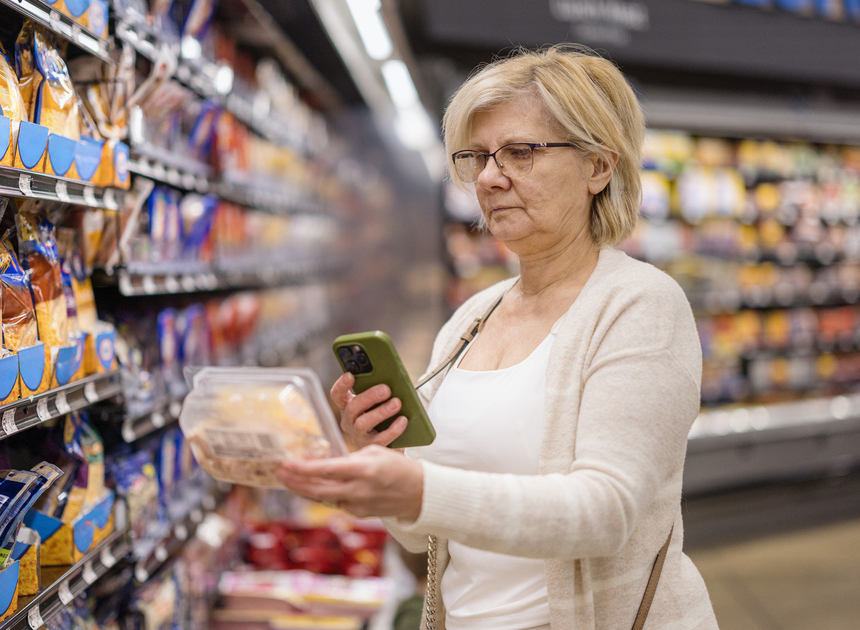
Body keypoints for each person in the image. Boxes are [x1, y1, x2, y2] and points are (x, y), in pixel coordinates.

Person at [278, 44, 718, 629]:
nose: (488, 177)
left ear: (598, 167)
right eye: (477, 156)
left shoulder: (640, 305)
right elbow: (427, 535)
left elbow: (605, 513)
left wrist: (418, 489)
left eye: (519, 153)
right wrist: (380, 457)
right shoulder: (472, 319)